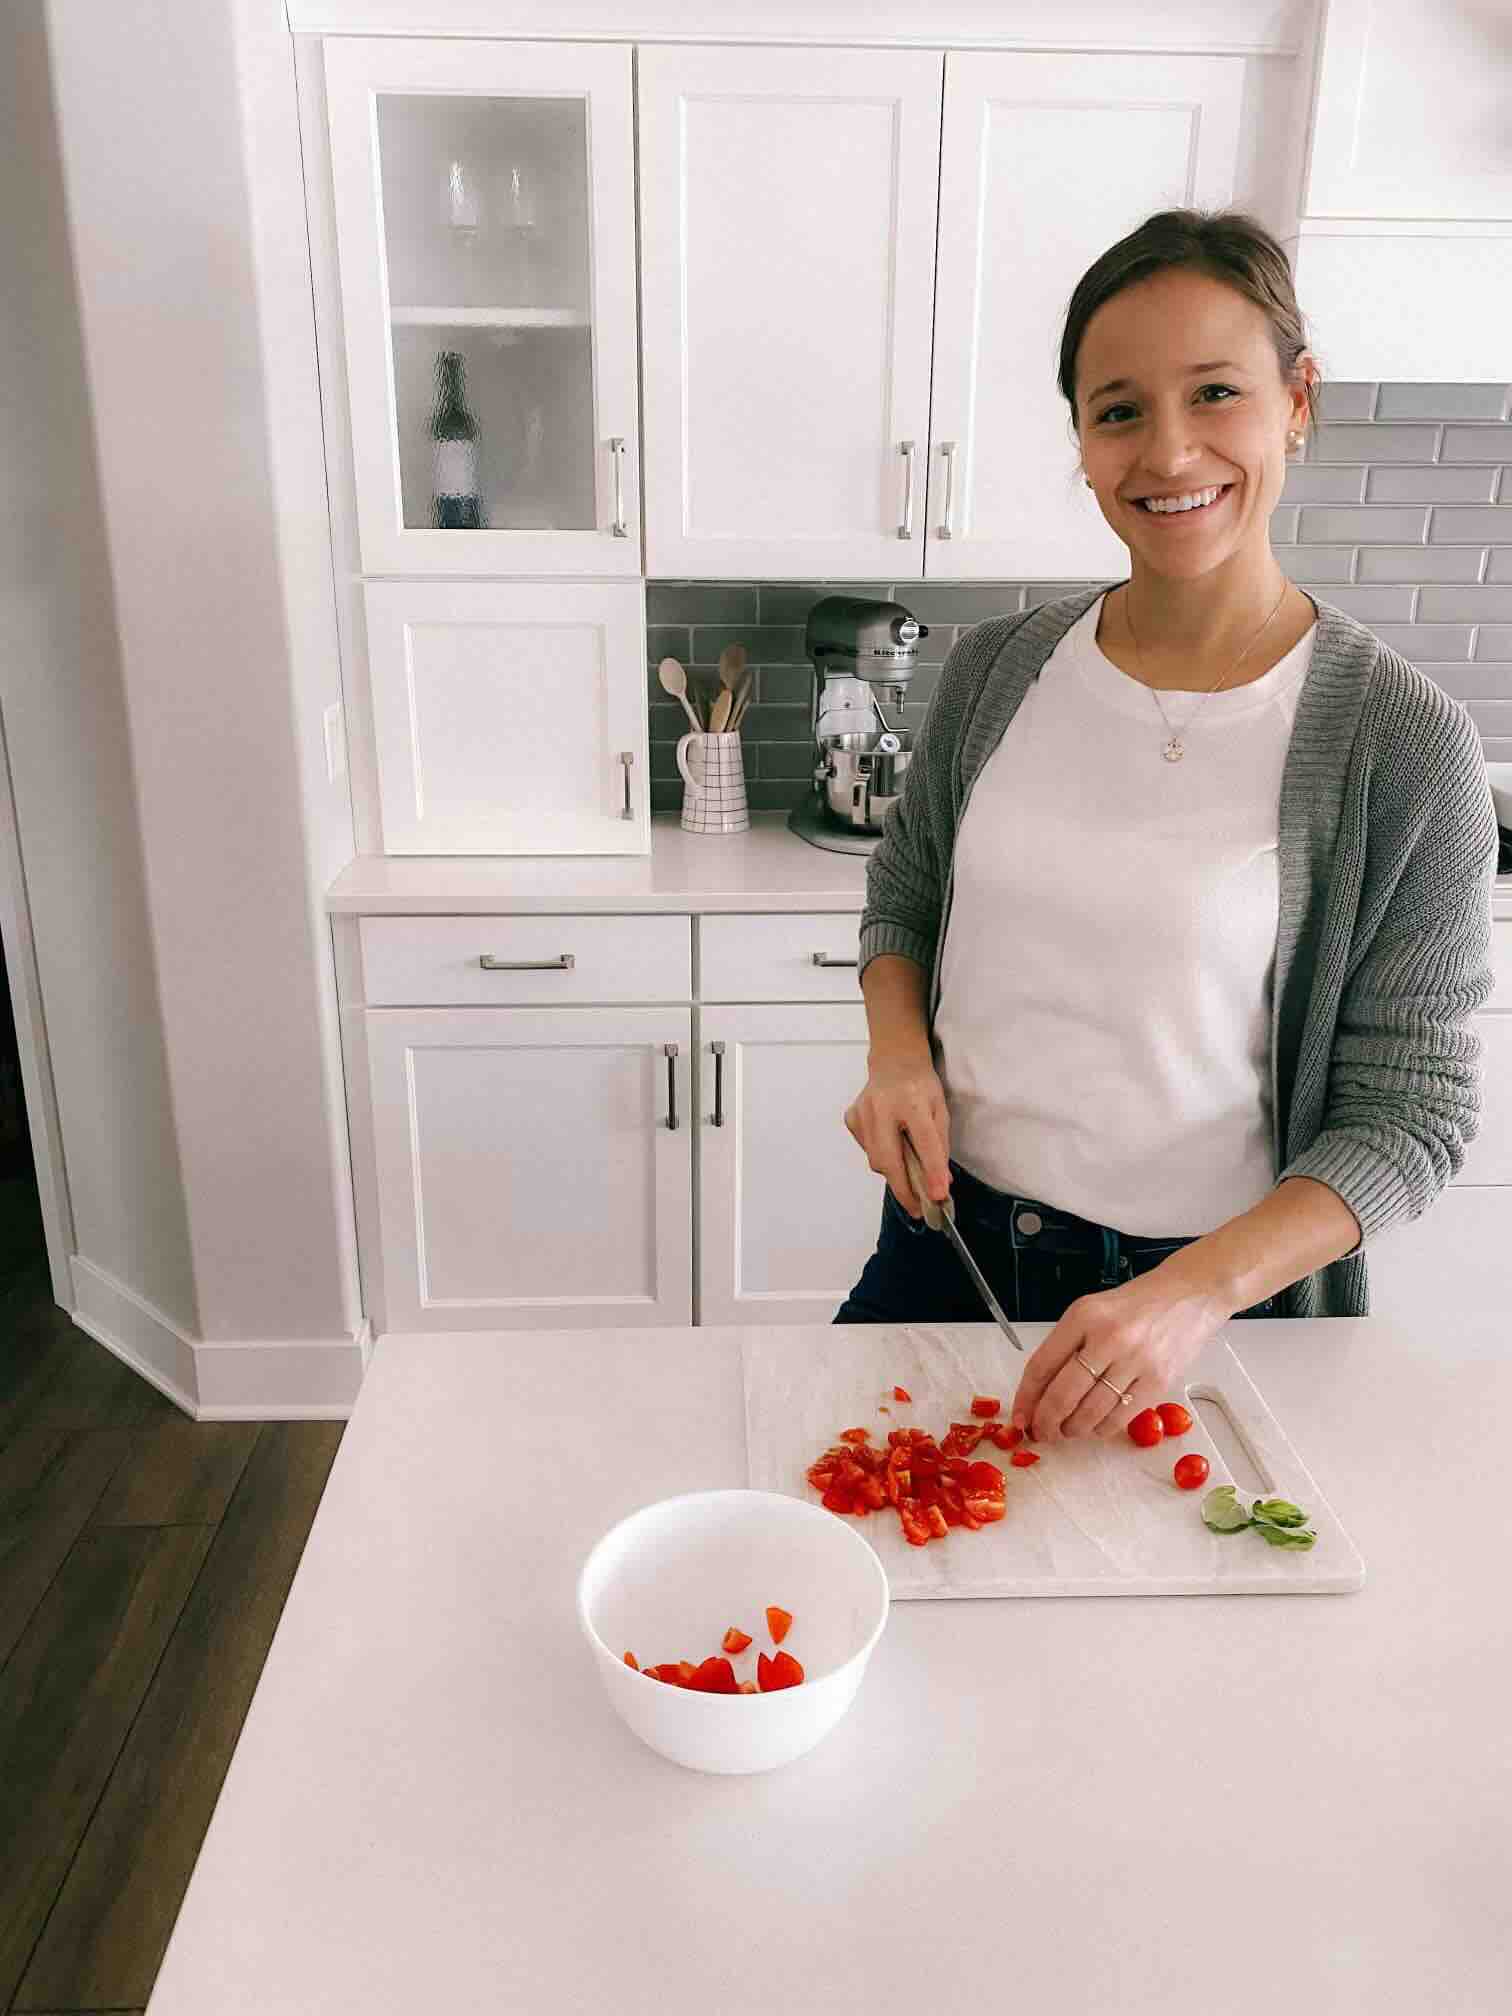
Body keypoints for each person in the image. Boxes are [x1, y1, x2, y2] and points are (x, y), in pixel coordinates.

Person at [836, 206, 1498, 1447]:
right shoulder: (991, 673)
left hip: (1203, 1309)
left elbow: (1410, 1116)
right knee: (849, 1581)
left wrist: (1189, 1295)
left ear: (1297, 400)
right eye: (1120, 408)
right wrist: (898, 1055)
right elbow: (908, 891)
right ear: (1082, 440)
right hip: (944, 1250)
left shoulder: (1401, 744)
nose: (1170, 450)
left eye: (1216, 392)